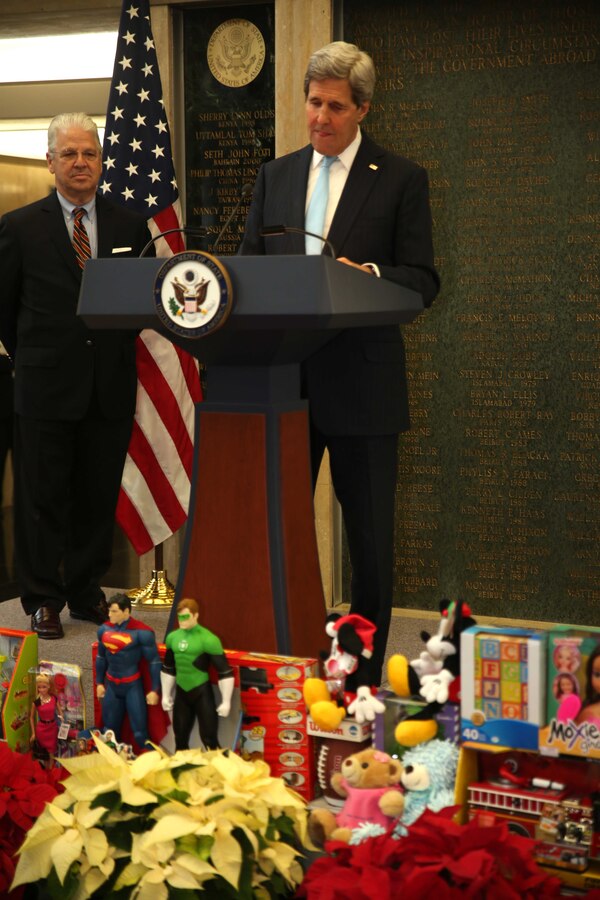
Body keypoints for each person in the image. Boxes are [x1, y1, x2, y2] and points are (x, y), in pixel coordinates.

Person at [239, 42, 440, 685]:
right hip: (281, 385)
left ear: (363, 109)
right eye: (313, 103)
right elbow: (246, 268)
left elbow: (422, 280)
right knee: (279, 534)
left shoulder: (402, 177)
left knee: (369, 547)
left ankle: (358, 678)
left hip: (364, 385)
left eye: (334, 106)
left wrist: (369, 276)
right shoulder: (276, 175)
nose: (320, 117)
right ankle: (282, 655)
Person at [0, 112, 152, 639]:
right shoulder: (19, 228)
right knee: (42, 499)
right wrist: (37, 357)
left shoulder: (131, 225)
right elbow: (4, 310)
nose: (80, 162)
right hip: (43, 388)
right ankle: (42, 598)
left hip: (108, 386)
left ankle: (86, 590)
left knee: (96, 494)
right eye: (69, 154)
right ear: (51, 161)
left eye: (89, 153)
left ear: (101, 160)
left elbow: (142, 303)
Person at [161, 597, 235, 751]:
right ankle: (181, 772)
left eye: (186, 616)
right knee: (180, 738)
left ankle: (221, 771)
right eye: (179, 617)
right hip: (182, 693)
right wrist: (165, 694)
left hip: (201, 692)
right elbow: (168, 668)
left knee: (209, 739)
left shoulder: (208, 639)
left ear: (195, 615)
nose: (182, 620)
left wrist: (226, 700)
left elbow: (224, 671)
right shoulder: (173, 637)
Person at [95, 593, 162, 751]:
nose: (110, 615)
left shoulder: (142, 633)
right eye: (109, 611)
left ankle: (152, 766)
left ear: (126, 612)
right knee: (109, 733)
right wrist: (99, 683)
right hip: (111, 685)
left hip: (132, 686)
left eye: (114, 611)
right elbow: (101, 658)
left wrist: (154, 690)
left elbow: (154, 661)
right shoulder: (104, 630)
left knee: (140, 734)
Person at [30, 672, 63, 767]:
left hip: (52, 728)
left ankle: (51, 772)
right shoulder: (36, 702)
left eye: (44, 687)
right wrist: (33, 733)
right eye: (39, 687)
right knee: (44, 754)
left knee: (52, 751)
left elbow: (60, 712)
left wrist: (62, 720)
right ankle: (46, 772)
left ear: (49, 686)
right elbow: (31, 718)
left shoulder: (53, 699)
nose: (41, 689)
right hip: (41, 730)